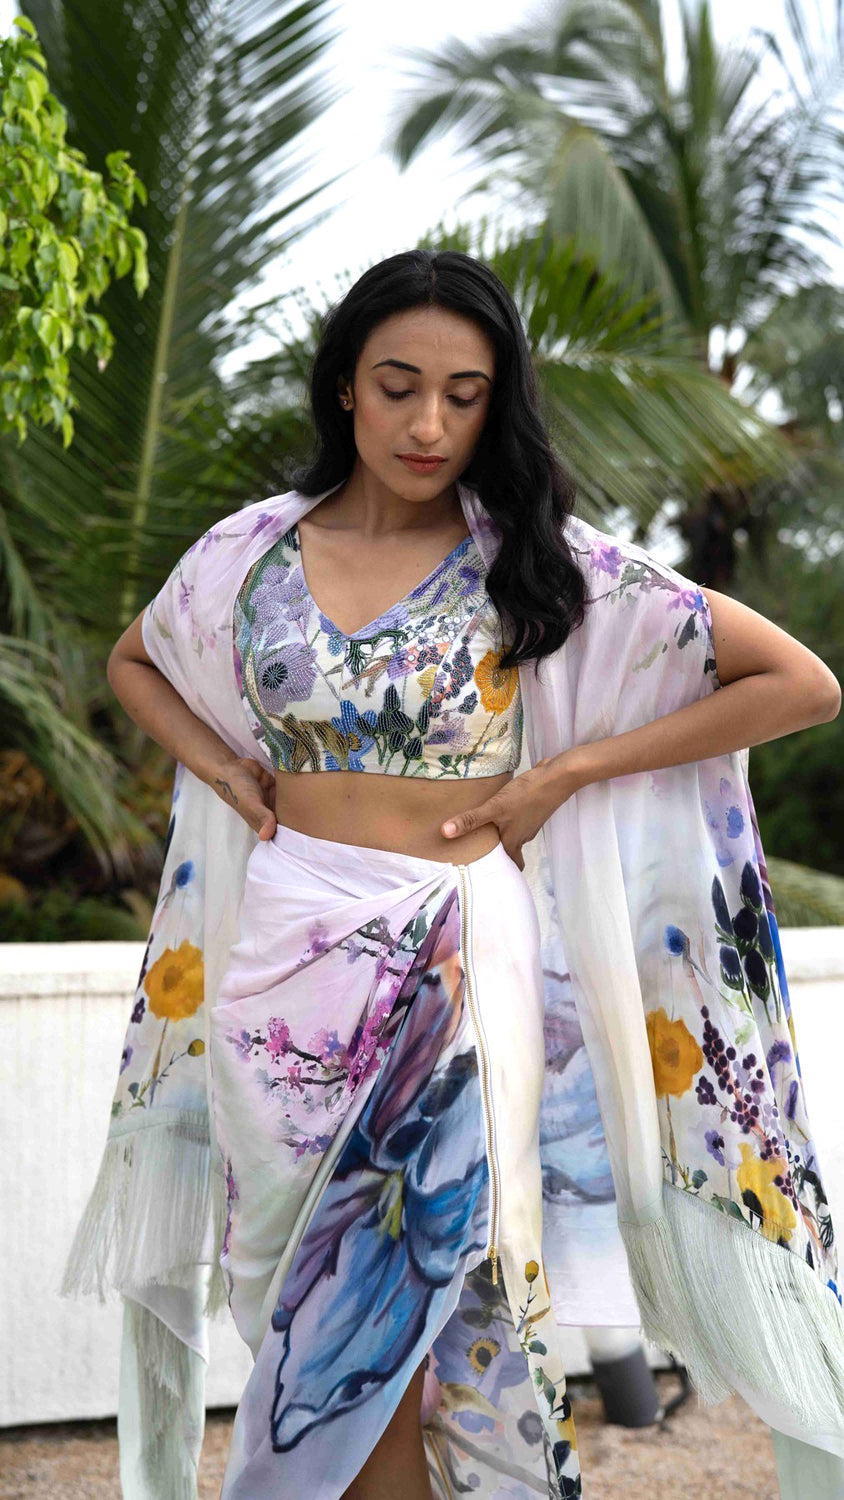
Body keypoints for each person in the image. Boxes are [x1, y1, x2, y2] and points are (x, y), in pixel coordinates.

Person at [62, 249, 844, 1499]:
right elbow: (135, 660)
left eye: (464, 395)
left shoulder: (535, 561)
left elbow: (798, 683)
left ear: (497, 405)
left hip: (457, 959)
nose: (428, 423)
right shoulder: (250, 554)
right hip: (280, 963)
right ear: (344, 389)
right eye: (398, 386)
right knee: (297, 1307)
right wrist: (222, 769)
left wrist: (563, 773)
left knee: (444, 1288)